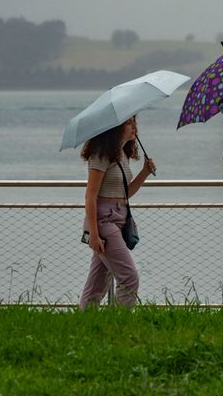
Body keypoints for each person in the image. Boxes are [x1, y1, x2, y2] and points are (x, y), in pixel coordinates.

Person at [78, 115, 155, 310]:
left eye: (134, 122)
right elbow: (90, 196)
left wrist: (144, 173)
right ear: (116, 128)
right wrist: (94, 234)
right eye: (129, 123)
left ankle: (85, 320)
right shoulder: (101, 155)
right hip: (103, 221)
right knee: (129, 278)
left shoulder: (122, 154)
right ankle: (121, 322)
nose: (134, 127)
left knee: (98, 283)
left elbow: (125, 193)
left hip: (119, 217)